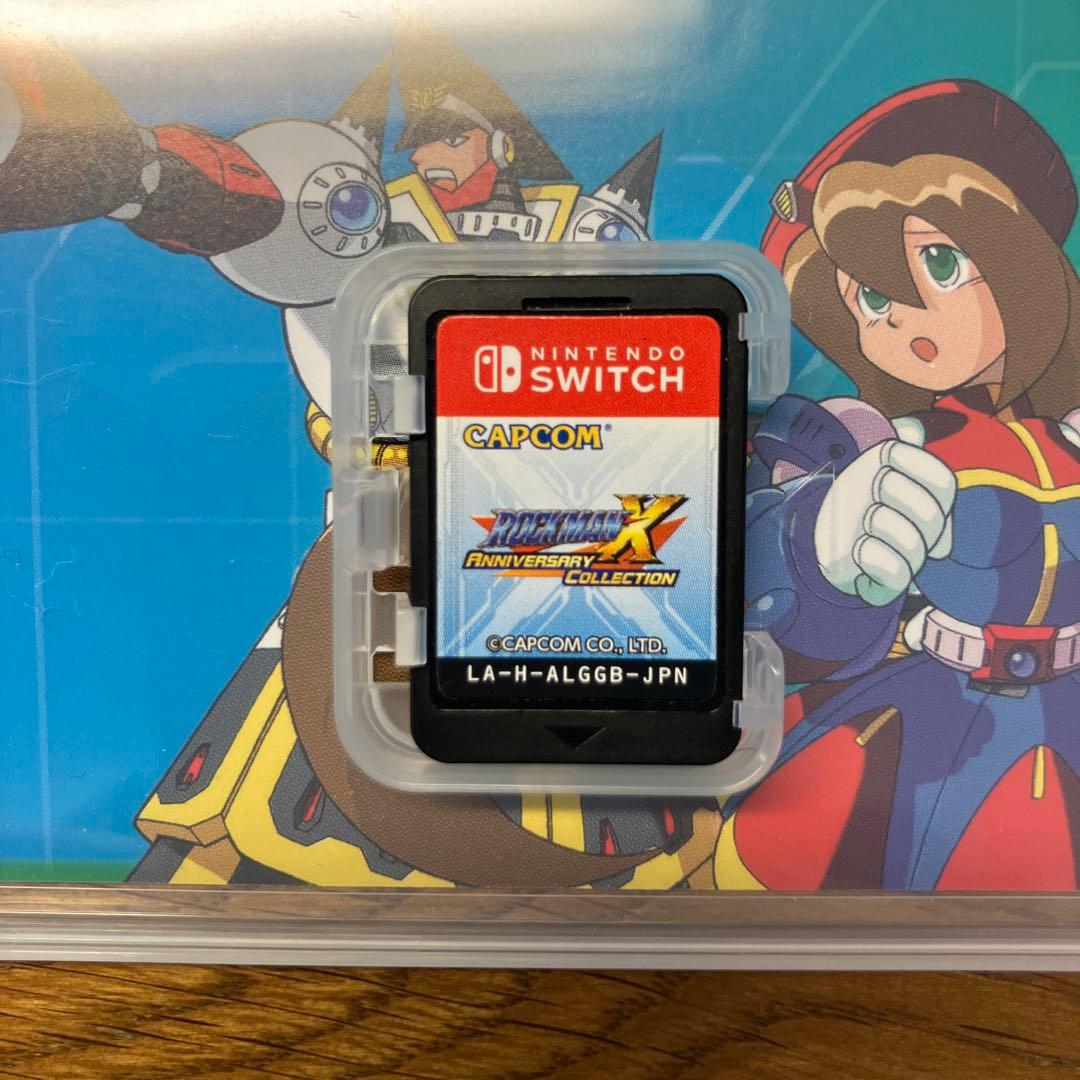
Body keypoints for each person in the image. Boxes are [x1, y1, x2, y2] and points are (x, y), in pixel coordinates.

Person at [722, 80, 1080, 891]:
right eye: (871, 297)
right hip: (928, 719)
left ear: (1021, 260)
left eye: (941, 264)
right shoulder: (869, 443)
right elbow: (774, 609)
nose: (897, 319)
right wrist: (820, 549)